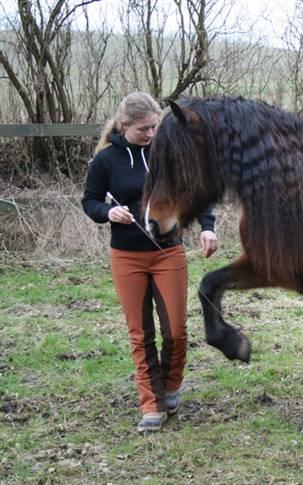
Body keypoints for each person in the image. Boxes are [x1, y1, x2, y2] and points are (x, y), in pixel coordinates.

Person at [81, 92, 218, 433]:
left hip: (168, 252)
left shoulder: (168, 156)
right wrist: (107, 212)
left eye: (156, 127)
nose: (152, 134)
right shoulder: (106, 161)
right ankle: (151, 404)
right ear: (125, 126)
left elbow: (195, 192)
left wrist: (207, 228)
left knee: (176, 331)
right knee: (140, 334)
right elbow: (90, 201)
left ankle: (170, 385)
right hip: (126, 256)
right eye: (145, 128)